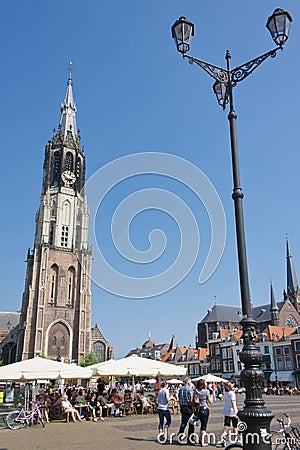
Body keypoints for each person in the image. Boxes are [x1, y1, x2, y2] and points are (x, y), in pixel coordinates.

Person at [193, 379, 213, 446]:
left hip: (198, 409)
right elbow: (210, 402)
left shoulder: (196, 391)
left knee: (201, 425)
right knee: (204, 426)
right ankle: (203, 442)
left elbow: (193, 399)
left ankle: (200, 439)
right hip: (205, 408)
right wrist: (212, 396)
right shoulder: (206, 391)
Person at [219, 382, 238, 447]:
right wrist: (236, 412)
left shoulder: (225, 392)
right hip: (232, 411)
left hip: (226, 410)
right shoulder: (232, 394)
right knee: (235, 426)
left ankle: (223, 437)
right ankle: (235, 439)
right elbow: (233, 403)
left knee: (226, 425)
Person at [178, 377, 195, 444]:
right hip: (189, 407)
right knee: (191, 423)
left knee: (183, 422)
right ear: (188, 382)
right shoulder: (189, 389)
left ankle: (180, 434)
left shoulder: (180, 389)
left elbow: (179, 399)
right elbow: (191, 400)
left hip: (182, 407)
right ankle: (190, 438)